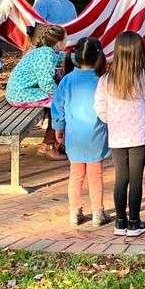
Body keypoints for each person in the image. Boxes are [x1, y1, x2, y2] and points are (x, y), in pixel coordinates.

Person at [94, 31, 145, 238]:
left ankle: (119, 220)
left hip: (117, 134)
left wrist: (111, 120)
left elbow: (99, 107)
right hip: (140, 133)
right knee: (136, 178)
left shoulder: (106, 80)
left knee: (120, 178)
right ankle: (134, 221)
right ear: (140, 52)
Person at [51, 36, 110, 227]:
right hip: (96, 135)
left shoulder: (67, 80)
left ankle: (74, 212)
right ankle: (97, 212)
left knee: (76, 174)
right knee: (96, 174)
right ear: (98, 57)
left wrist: (58, 128)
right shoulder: (102, 81)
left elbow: (58, 106)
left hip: (74, 135)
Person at [6, 23, 67, 160]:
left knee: (58, 101)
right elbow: (46, 83)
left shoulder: (43, 51)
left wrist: (79, 57)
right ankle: (49, 145)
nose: (66, 42)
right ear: (58, 43)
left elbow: (62, 56)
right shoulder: (46, 55)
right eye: (65, 39)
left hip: (19, 92)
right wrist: (60, 95)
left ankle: (53, 142)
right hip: (21, 94)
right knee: (60, 104)